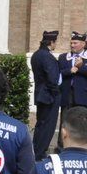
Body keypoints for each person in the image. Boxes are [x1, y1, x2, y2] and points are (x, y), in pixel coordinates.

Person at [57, 32, 87, 149]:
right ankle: (62, 147)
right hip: (67, 94)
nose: (72, 45)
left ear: (83, 44)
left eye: (75, 43)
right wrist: (69, 70)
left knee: (82, 121)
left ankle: (81, 147)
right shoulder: (63, 57)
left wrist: (81, 67)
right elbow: (58, 73)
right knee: (65, 120)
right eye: (71, 43)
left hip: (83, 95)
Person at [30, 30, 62, 160]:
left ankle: (36, 150)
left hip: (41, 94)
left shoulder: (37, 55)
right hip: (49, 96)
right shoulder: (47, 56)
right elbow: (52, 78)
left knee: (41, 124)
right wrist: (56, 92)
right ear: (51, 42)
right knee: (47, 126)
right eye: (55, 42)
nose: (55, 44)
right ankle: (40, 152)